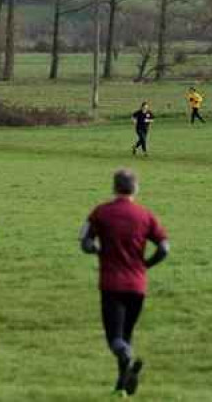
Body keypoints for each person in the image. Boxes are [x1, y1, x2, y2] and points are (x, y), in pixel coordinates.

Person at [80, 169, 169, 396]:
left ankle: (125, 363)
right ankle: (122, 386)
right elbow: (164, 247)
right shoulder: (145, 215)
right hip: (138, 285)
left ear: (114, 187)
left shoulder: (101, 213)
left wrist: (96, 249)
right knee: (126, 336)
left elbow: (85, 241)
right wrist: (145, 265)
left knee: (115, 339)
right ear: (135, 188)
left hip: (111, 284)